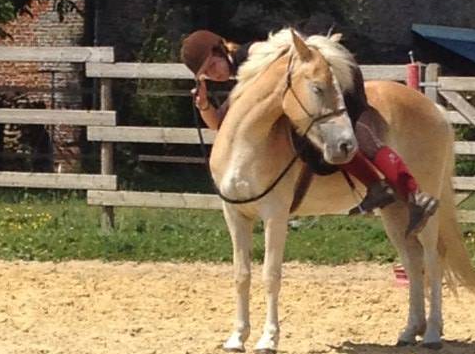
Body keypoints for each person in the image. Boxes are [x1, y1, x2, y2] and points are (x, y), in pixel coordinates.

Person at [180, 29, 439, 234]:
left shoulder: (253, 53)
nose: (213, 75)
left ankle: (416, 197)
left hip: (333, 83)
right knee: (323, 142)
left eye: (212, 66)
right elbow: (221, 126)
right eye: (206, 75)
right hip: (317, 91)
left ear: (220, 49)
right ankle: (376, 187)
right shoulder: (240, 78)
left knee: (359, 137)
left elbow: (297, 56)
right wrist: (204, 104)